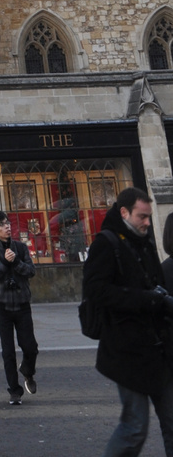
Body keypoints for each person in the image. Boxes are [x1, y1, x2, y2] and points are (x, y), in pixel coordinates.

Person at [82, 185, 173, 453]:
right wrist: (146, 299)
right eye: (142, 216)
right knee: (134, 427)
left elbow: (156, 284)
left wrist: (161, 300)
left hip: (158, 349)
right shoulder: (106, 244)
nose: (147, 222)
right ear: (124, 212)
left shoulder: (142, 241)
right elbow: (96, 292)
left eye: (148, 217)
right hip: (126, 351)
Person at [0, 210, 37, 404]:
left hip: (22, 304)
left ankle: (28, 371)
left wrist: (17, 262)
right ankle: (14, 390)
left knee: (30, 346)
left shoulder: (20, 248)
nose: (7, 226)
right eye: (2, 225)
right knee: (8, 351)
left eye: (7, 223)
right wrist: (5, 262)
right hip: (3, 305)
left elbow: (31, 271)